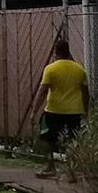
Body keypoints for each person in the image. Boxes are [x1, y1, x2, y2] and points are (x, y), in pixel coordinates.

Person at [32, 38, 89, 180]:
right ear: (68, 52)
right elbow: (85, 92)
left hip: (53, 110)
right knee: (72, 139)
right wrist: (86, 111)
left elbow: (43, 90)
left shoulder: (51, 68)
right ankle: (71, 170)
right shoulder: (79, 69)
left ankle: (49, 166)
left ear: (55, 52)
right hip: (74, 110)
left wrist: (34, 110)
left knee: (47, 138)